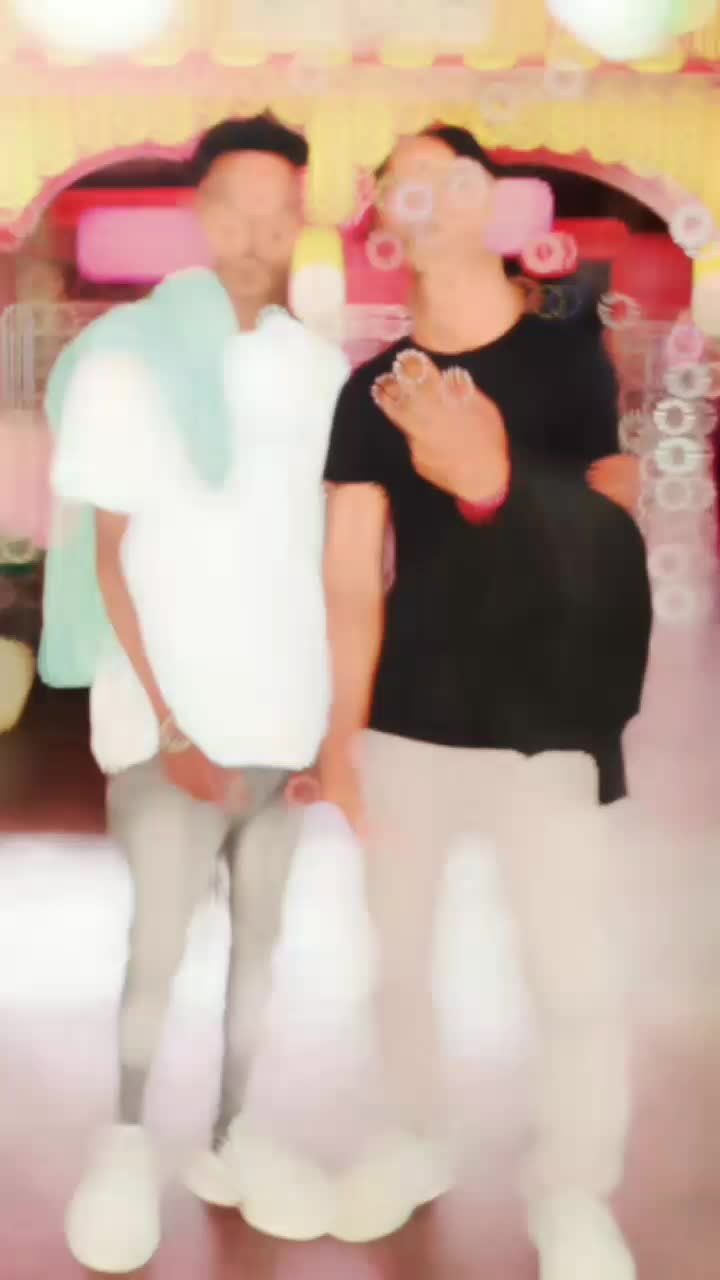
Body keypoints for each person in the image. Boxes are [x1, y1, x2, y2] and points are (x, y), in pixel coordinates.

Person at [314, 127, 651, 1275]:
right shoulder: (370, 391)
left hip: (546, 719)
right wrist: (340, 732)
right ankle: (413, 1138)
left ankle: (573, 1192)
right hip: (410, 718)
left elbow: (615, 532)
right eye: (399, 183)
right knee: (398, 961)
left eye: (445, 179)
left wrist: (495, 481)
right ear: (382, 217)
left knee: (571, 972)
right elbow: (350, 572)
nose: (424, 198)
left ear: (483, 200)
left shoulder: (568, 358)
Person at [40, 116, 349, 1272]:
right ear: (200, 212)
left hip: (286, 720)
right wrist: (170, 727)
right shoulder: (132, 361)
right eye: (237, 209)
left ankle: (233, 1133)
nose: (259, 236)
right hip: (170, 723)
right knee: (160, 945)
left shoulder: (319, 371)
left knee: (261, 944)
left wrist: (332, 728)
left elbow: (333, 556)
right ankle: (124, 1141)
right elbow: (109, 557)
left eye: (281, 214)